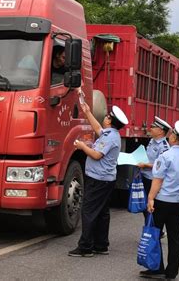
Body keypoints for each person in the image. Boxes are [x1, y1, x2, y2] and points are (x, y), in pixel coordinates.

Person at [139, 120, 179, 280]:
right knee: (175, 237)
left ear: (174, 138)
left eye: (172, 134)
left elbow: (157, 180)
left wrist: (150, 198)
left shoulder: (165, 157)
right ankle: (172, 272)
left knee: (155, 234)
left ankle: (156, 268)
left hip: (162, 202)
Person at [68, 103, 129, 257]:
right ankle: (101, 245)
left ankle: (85, 247)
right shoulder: (111, 134)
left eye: (107, 116)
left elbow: (96, 155)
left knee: (89, 212)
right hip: (106, 180)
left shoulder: (109, 138)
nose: (105, 117)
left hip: (98, 180)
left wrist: (82, 146)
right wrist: (87, 111)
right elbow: (97, 128)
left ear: (109, 121)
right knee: (102, 212)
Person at [137, 116, 171, 233]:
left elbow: (161, 165)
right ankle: (153, 229)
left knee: (152, 206)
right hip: (145, 177)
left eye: (153, 127)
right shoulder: (152, 141)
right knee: (145, 206)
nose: (150, 128)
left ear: (161, 131)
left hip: (154, 180)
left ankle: (154, 231)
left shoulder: (164, 147)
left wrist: (145, 165)